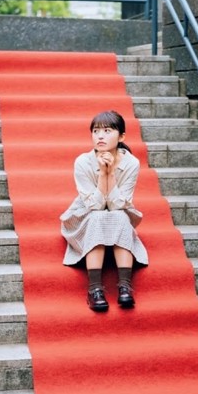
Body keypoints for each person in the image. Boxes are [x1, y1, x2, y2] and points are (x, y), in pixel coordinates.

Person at [60, 110, 148, 312]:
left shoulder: (131, 163)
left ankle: (125, 286)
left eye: (107, 131)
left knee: (119, 216)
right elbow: (94, 206)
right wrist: (103, 174)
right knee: (98, 216)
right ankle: (94, 289)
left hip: (118, 211)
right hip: (85, 214)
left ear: (121, 137)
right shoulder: (83, 162)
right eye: (96, 131)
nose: (100, 136)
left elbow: (118, 204)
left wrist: (111, 173)